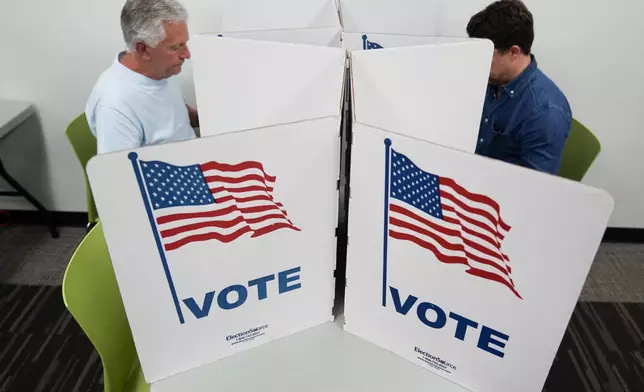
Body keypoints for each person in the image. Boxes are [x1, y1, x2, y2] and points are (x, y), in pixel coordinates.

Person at [467, 0, 571, 174]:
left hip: (502, 190)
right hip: (473, 171)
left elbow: (534, 189)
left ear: (514, 52)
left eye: (486, 54)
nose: (478, 62)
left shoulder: (544, 112)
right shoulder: (492, 78)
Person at [86, 0, 198, 154]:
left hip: (194, 156)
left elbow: (175, 112)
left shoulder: (160, 69)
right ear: (143, 49)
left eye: (184, 44)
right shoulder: (115, 106)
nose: (186, 54)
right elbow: (120, 174)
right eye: (175, 47)